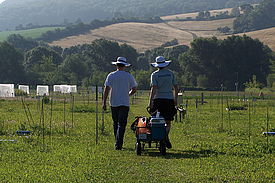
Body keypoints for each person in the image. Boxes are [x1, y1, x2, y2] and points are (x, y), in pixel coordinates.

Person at [103, 57, 137, 150]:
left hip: (113, 103)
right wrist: (128, 94)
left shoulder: (111, 75)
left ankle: (117, 142)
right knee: (122, 124)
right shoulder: (129, 76)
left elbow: (106, 89)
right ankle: (119, 143)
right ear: (125, 66)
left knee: (115, 123)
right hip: (124, 103)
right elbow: (134, 89)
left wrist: (104, 102)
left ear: (117, 65)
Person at [148, 56, 178, 149]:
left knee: (157, 120)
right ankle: (165, 135)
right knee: (168, 121)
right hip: (169, 99)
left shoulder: (154, 74)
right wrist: (175, 99)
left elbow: (154, 88)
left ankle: (160, 136)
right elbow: (176, 87)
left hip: (158, 99)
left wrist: (150, 101)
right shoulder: (170, 73)